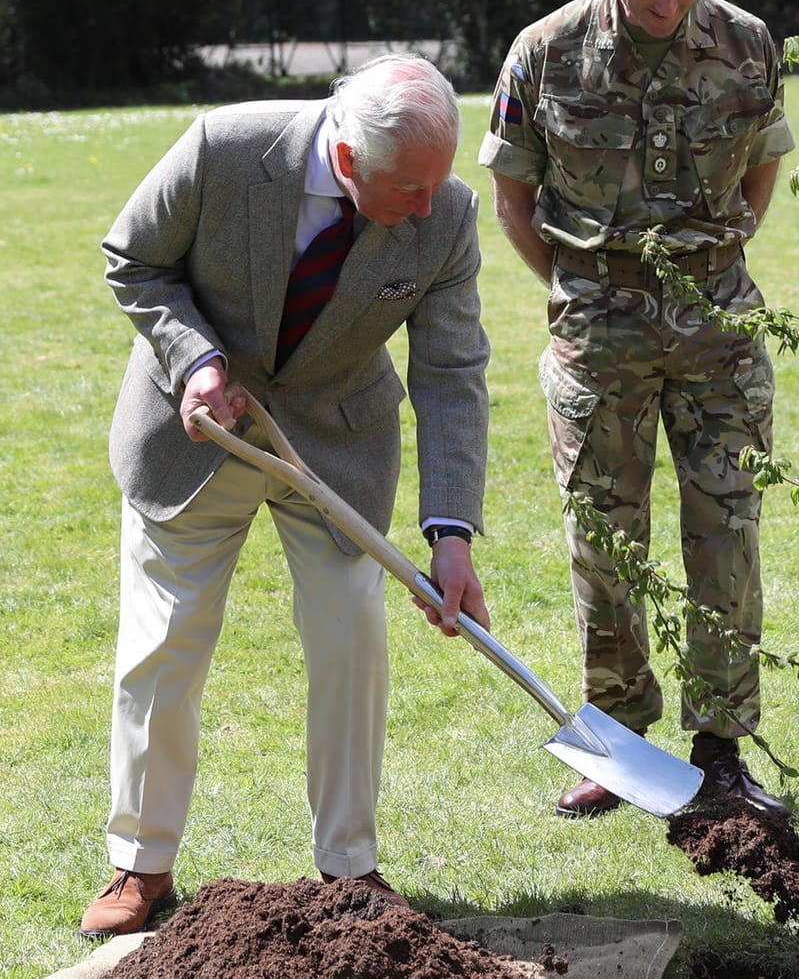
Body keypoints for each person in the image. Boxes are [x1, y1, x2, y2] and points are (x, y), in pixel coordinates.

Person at [81, 55, 493, 937]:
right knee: (164, 643)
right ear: (347, 161)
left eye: (438, 184)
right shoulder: (225, 148)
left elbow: (452, 372)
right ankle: (141, 865)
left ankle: (350, 868)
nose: (427, 208)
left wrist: (451, 533)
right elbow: (134, 260)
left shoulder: (445, 212)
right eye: (408, 189)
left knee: (352, 630)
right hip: (197, 430)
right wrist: (196, 362)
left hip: (336, 444)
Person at [480, 0, 793, 821]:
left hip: (717, 322)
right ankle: (616, 747)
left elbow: (763, 166)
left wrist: (711, 260)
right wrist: (587, 287)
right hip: (597, 326)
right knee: (606, 543)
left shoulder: (746, 42)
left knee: (726, 532)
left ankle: (722, 750)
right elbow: (511, 195)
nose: (666, 5)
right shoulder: (546, 50)